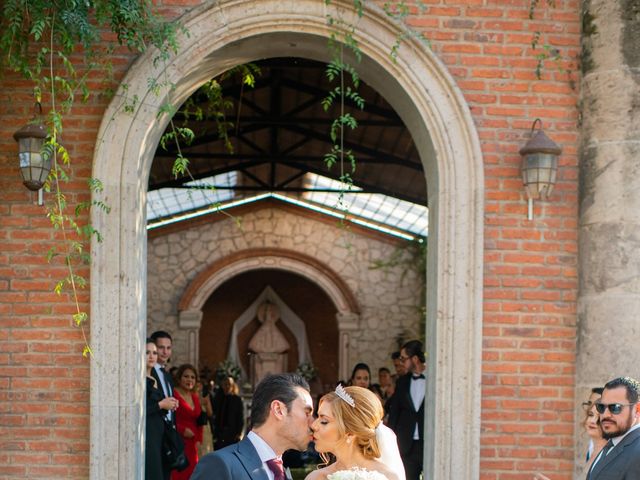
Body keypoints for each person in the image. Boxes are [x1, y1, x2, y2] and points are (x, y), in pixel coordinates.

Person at [191, 373, 314, 480]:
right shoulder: (220, 464)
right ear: (278, 410)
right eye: (307, 413)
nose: (313, 423)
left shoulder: (282, 472)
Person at [306, 385, 404, 480]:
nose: (313, 425)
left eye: (324, 421)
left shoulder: (387, 477)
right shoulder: (315, 477)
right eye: (318, 417)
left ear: (350, 433)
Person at [587, 376, 640, 480]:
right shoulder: (612, 443)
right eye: (601, 407)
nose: (605, 415)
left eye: (615, 408)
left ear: (637, 410)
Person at [387, 340, 426, 480]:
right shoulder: (402, 382)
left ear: (415, 359)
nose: (401, 362)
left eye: (403, 359)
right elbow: (394, 414)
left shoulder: (435, 379)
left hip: (427, 443)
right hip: (406, 445)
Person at [145, 339, 179, 480]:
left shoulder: (154, 378)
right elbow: (138, 411)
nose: (152, 356)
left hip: (160, 434)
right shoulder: (138, 380)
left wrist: (169, 405)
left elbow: (158, 407)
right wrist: (161, 405)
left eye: (154, 352)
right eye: (147, 352)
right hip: (148, 434)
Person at [171, 364, 204, 480]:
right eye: (186, 376)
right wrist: (182, 430)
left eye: (192, 377)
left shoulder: (195, 397)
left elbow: (200, 422)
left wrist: (199, 440)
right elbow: (168, 419)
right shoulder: (173, 394)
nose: (189, 380)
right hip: (178, 443)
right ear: (179, 378)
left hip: (193, 445)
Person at [212, 376, 245, 450]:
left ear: (232, 386)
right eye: (225, 384)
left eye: (229, 384)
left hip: (232, 433)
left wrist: (239, 433)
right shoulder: (219, 398)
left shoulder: (237, 400)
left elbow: (240, 417)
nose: (227, 386)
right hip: (220, 433)